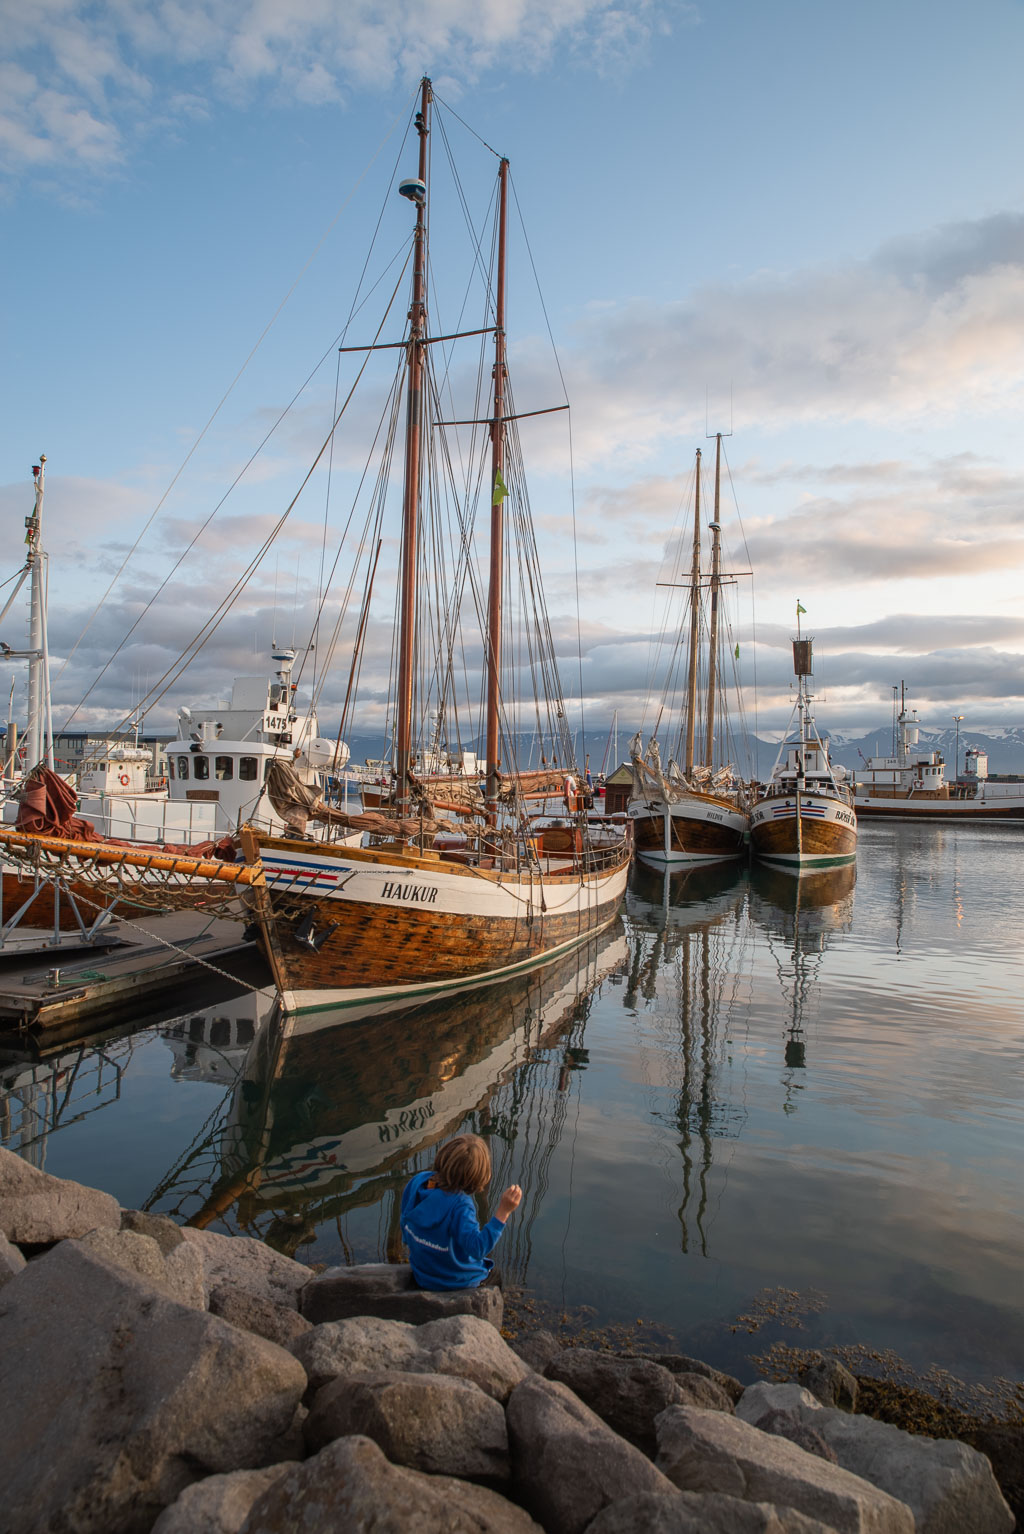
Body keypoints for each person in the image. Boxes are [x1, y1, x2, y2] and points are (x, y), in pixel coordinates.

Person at [400, 1133, 522, 1290]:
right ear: (476, 1176)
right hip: (451, 1281)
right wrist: (503, 1212)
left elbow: (405, 1221)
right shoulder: (460, 1205)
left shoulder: (418, 1182)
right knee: (495, 1275)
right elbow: (477, 1249)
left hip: (422, 1273)